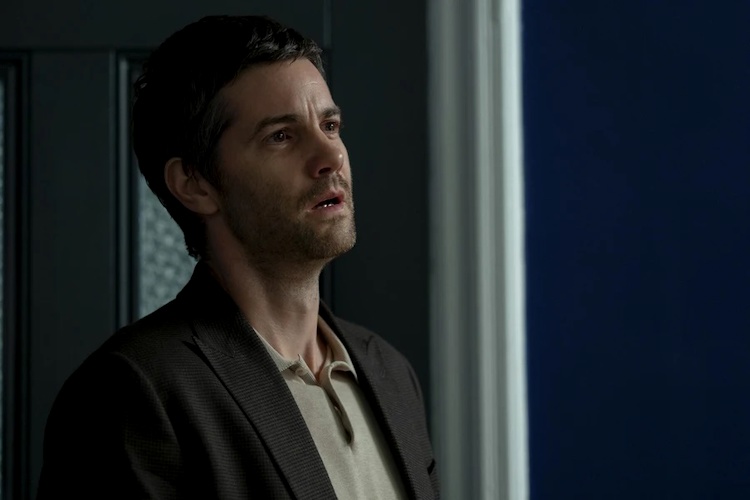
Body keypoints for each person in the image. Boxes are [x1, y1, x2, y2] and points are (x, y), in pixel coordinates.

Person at [36, 15, 438, 500]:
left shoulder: (390, 374)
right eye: (281, 136)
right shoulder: (133, 394)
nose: (330, 156)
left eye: (330, 125)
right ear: (195, 185)